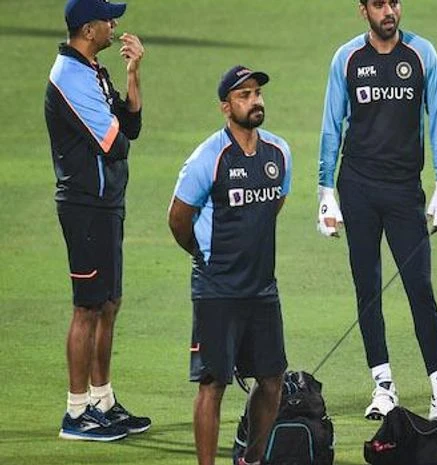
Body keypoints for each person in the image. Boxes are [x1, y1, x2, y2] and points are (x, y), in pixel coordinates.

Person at [316, 0, 437, 420]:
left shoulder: (422, 55)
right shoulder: (346, 58)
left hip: (405, 190)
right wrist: (324, 189)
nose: (390, 11)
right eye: (380, 4)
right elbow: (332, 124)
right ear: (362, 10)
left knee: (420, 287)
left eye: (395, 3)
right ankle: (383, 385)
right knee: (367, 289)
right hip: (358, 187)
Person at [168, 65, 291, 465]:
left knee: (272, 381)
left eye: (257, 93)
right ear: (226, 106)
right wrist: (205, 256)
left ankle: (250, 461)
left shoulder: (278, 152)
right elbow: (178, 219)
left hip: (262, 288)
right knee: (212, 383)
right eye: (244, 95)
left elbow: (274, 206)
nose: (254, 101)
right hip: (217, 290)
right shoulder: (208, 157)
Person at [45, 0, 150, 442]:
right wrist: (120, 126)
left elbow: (132, 124)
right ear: (88, 29)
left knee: (109, 303)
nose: (115, 25)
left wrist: (132, 75)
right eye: (108, 19)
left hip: (108, 201)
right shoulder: (68, 76)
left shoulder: (95, 71)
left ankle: (102, 401)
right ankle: (75, 412)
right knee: (87, 306)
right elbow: (115, 143)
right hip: (84, 205)